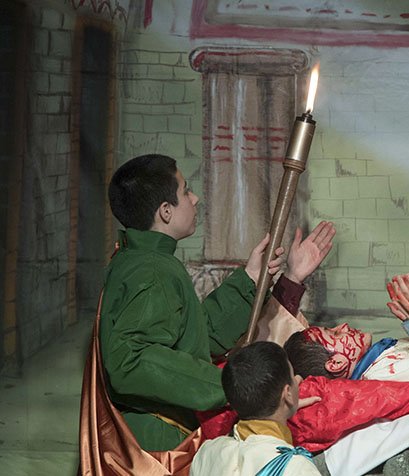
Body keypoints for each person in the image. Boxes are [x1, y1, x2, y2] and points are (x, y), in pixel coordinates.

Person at [100, 154, 334, 451]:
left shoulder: (142, 259)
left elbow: (197, 334)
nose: (195, 198)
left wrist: (250, 279)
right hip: (158, 445)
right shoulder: (153, 271)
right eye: (185, 191)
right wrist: (236, 387)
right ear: (166, 211)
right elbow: (132, 360)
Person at [188, 341, 409, 476]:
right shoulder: (293, 469)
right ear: (287, 393)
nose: (299, 380)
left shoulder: (207, 453)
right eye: (293, 375)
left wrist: (284, 409)